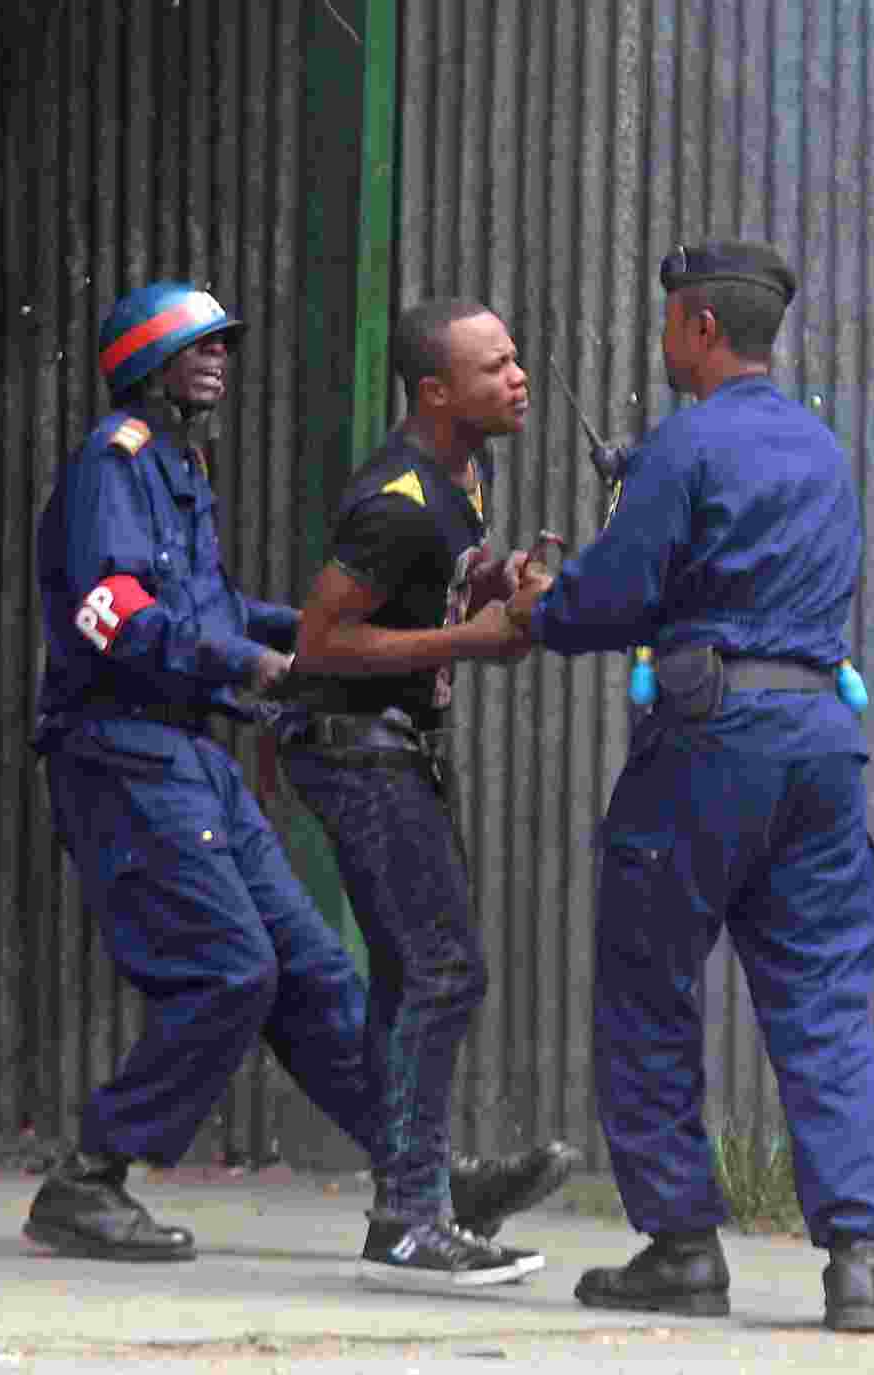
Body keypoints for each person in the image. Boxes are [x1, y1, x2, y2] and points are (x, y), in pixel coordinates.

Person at [24, 282, 576, 1272]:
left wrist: (290, 638)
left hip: (194, 750)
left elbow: (215, 602)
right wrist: (248, 664)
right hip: (123, 748)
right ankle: (88, 1177)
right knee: (233, 969)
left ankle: (420, 1182)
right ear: (142, 368)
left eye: (223, 346)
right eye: (195, 348)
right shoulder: (115, 467)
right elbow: (109, 611)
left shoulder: (185, 470)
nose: (218, 360)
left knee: (317, 975)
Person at [499, 242, 874, 1330]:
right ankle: (857, 1261)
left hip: (711, 738)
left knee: (647, 981)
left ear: (699, 329)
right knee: (822, 997)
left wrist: (539, 600)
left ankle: (681, 1245)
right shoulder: (822, 449)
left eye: (672, 325)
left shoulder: (683, 446)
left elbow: (610, 599)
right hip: (822, 740)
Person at [277, 297, 580, 1292]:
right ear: (434, 391)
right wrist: (471, 639)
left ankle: (418, 1196)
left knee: (414, 975)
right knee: (443, 968)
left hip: (394, 744)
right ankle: (411, 1212)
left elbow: (437, 581)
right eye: (494, 367)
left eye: (516, 357)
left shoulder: (466, 473)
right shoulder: (395, 496)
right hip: (350, 745)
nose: (519, 376)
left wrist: (498, 584)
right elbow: (319, 642)